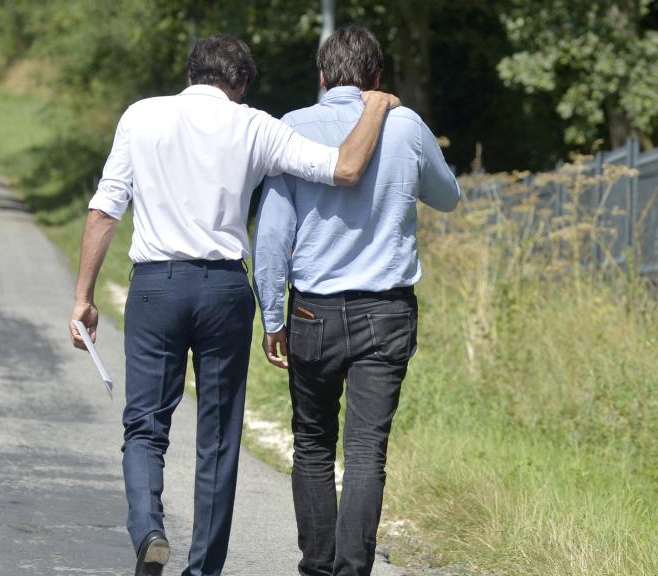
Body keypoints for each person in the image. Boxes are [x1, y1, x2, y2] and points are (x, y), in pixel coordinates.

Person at [68, 34, 399, 576]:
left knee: (145, 426)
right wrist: (377, 106)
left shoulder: (142, 116)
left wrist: (84, 296)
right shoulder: (256, 125)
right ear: (242, 84)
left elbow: (106, 207)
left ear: (190, 73)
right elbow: (344, 168)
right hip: (225, 291)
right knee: (219, 437)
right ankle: (204, 570)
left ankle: (149, 527)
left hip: (156, 285)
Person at [253, 24, 460, 576]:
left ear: (322, 76)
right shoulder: (406, 125)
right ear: (377, 78)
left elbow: (273, 234)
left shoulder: (291, 127)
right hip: (387, 311)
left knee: (313, 443)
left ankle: (317, 567)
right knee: (367, 450)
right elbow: (448, 197)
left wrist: (272, 315)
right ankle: (351, 570)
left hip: (312, 310)